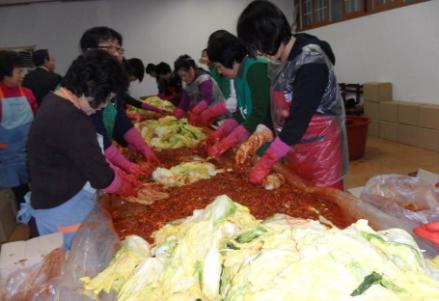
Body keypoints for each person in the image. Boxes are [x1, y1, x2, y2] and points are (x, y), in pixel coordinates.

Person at [26, 50, 133, 249]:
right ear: (92, 88)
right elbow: (102, 177)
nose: (104, 106)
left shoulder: (56, 102)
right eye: (106, 97)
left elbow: (83, 156)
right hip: (63, 211)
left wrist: (117, 170)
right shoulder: (70, 118)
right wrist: (128, 186)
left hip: (53, 201)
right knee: (81, 270)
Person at [237, 0, 348, 190]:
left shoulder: (311, 61)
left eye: (262, 46)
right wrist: (261, 132)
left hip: (321, 151)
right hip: (293, 147)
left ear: (273, 34)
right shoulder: (279, 60)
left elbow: (297, 121)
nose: (261, 53)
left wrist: (266, 161)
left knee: (327, 207)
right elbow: (276, 108)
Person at [80, 27, 159, 175]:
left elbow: (119, 119)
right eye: (109, 48)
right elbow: (95, 134)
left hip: (98, 157)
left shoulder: (108, 81)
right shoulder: (85, 86)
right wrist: (124, 164)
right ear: (89, 52)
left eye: (118, 49)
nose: (116, 54)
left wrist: (141, 146)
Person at [199, 30, 271, 158]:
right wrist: (223, 131)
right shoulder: (237, 75)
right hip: (256, 139)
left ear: (229, 59)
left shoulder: (255, 69)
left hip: (270, 142)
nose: (219, 72)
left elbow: (259, 113)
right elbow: (241, 113)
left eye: (219, 66)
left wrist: (228, 142)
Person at [0, 51, 37, 208]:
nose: (23, 74)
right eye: (19, 71)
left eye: (23, 70)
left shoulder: (27, 93)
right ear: (5, 74)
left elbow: (37, 118)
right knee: (17, 197)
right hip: (8, 158)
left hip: (31, 152)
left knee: (36, 191)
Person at [173, 54, 224, 118]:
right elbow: (184, 102)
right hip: (205, 116)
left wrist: (196, 111)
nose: (183, 79)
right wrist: (176, 116)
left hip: (219, 115)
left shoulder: (204, 79)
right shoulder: (187, 84)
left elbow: (208, 100)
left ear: (191, 69)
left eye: (184, 75)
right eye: (180, 77)